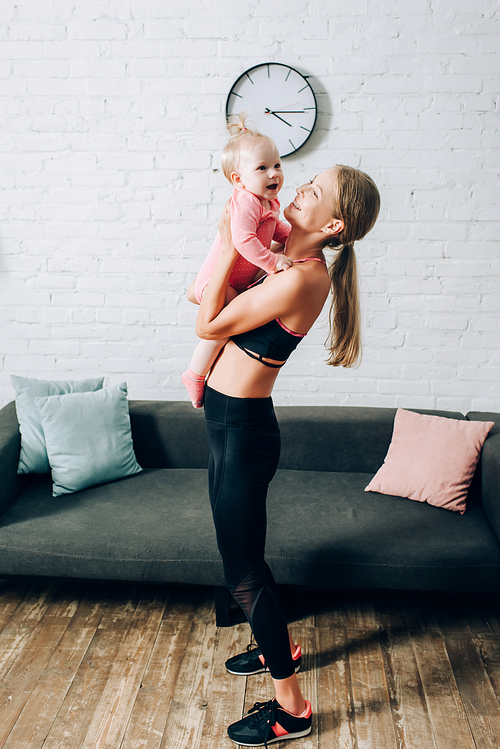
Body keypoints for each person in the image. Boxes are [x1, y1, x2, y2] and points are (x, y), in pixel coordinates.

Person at [190, 165, 380, 746]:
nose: (298, 189)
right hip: (228, 423)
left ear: (335, 225)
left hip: (244, 431)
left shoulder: (300, 278)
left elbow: (208, 320)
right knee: (242, 560)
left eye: (314, 192)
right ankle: (283, 645)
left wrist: (225, 243)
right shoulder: (285, 258)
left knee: (242, 572)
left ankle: (292, 709)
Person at [182, 117, 292, 408]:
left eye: (277, 165)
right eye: (262, 168)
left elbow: (275, 229)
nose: (274, 174)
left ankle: (205, 372)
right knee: (221, 328)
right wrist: (272, 262)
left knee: (231, 327)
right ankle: (194, 374)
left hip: (235, 282)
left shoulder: (269, 203)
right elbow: (243, 240)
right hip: (219, 280)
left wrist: (297, 236)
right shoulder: (246, 202)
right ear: (238, 180)